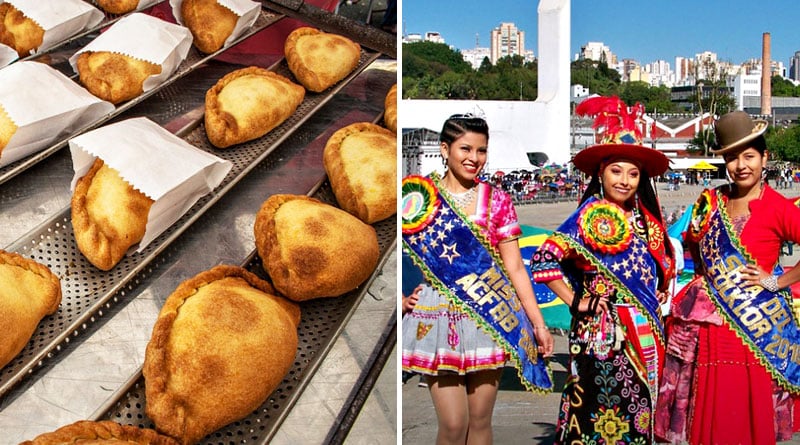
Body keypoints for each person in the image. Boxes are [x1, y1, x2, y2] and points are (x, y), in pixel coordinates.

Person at [401, 113, 554, 445]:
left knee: (480, 423)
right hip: (438, 317)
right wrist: (399, 301)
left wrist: (538, 324)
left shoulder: (497, 200)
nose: (474, 159)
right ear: (445, 149)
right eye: (465, 149)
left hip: (489, 317)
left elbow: (515, 267)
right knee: (454, 425)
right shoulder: (418, 198)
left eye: (481, 151)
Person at [530, 96, 675, 444]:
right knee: (598, 411)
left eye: (633, 173)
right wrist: (575, 299)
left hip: (647, 331)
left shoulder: (649, 223)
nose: (625, 180)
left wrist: (658, 288)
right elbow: (544, 260)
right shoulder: (588, 215)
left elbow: (660, 270)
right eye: (616, 171)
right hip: (602, 331)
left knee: (642, 410)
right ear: (600, 172)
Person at [655, 110, 800, 444]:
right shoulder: (711, 201)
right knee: (705, 411)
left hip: (753, 329)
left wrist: (776, 281)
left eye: (749, 156)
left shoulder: (778, 207)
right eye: (732, 158)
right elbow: (689, 250)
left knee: (743, 409)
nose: (741, 165)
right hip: (707, 328)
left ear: (765, 158)